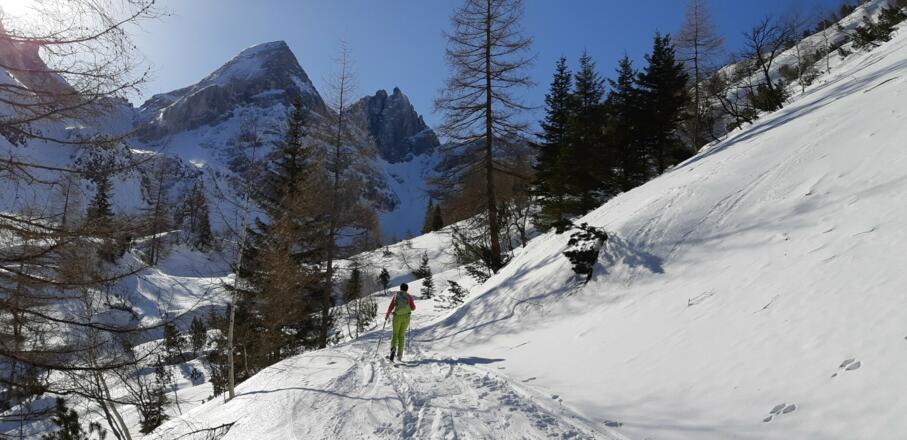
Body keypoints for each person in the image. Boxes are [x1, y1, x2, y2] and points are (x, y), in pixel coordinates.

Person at [385, 283, 416, 362]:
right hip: (406, 317)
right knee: (401, 336)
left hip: (397, 317)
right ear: (407, 289)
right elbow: (413, 308)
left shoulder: (396, 295)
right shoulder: (409, 296)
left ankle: (393, 348)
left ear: (400, 288)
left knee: (395, 334)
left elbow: (391, 306)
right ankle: (399, 355)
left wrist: (387, 314)